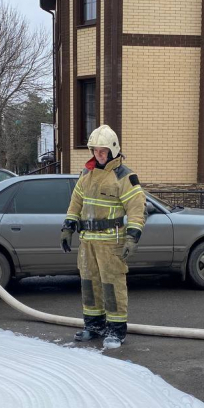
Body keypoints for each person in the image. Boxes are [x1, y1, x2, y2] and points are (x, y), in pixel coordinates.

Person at [61, 125, 146, 347]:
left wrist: (132, 238)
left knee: (112, 284)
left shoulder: (124, 177)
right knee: (89, 283)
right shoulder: (86, 174)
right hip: (87, 240)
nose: (99, 154)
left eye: (103, 151)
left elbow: (137, 210)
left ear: (113, 150)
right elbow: (76, 202)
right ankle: (93, 325)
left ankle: (116, 330)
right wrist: (68, 226)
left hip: (111, 241)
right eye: (96, 150)